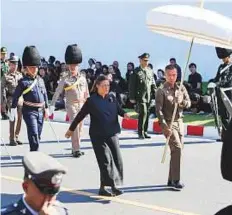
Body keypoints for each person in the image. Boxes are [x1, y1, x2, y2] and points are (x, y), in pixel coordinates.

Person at [65, 75, 129, 196]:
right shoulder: (92, 101)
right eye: (104, 85)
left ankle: (106, 187)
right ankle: (111, 186)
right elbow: (80, 116)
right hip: (98, 135)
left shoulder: (112, 97)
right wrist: (71, 129)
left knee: (116, 159)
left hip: (112, 132)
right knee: (105, 160)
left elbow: (119, 109)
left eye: (108, 85)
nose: (106, 88)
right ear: (97, 86)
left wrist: (124, 114)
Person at [155, 64, 191, 190]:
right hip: (168, 123)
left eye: (174, 75)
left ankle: (171, 179)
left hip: (179, 122)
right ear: (165, 75)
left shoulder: (181, 87)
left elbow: (189, 103)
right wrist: (164, 126)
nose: (172, 77)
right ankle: (176, 180)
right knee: (177, 148)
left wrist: (181, 101)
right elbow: (158, 111)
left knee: (176, 152)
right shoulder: (161, 90)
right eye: (169, 75)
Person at [50, 44, 89, 158]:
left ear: (78, 65)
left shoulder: (82, 78)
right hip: (71, 105)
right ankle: (76, 149)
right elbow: (57, 92)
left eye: (74, 65)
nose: (72, 67)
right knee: (75, 125)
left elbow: (87, 93)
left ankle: (75, 147)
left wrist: (91, 105)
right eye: (71, 65)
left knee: (80, 127)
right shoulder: (65, 78)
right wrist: (52, 106)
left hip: (82, 104)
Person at [1, 151, 69, 214]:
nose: (50, 198)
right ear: (26, 187)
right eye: (45, 192)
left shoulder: (60, 210)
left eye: (54, 193)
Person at [10, 46, 49, 151]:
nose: (34, 69)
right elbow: (16, 96)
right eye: (32, 67)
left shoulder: (40, 80)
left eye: (36, 67)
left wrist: (47, 108)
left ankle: (35, 149)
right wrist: (13, 109)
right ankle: (34, 152)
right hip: (29, 111)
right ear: (26, 68)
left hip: (40, 110)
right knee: (33, 132)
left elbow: (44, 94)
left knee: (38, 134)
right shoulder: (23, 82)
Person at [209, 48, 232, 183]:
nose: (224, 60)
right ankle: (224, 136)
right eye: (223, 58)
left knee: (230, 117)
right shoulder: (221, 67)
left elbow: (226, 80)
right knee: (223, 116)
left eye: (225, 58)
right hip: (221, 96)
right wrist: (213, 81)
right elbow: (218, 78)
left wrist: (216, 83)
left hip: (229, 96)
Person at [129, 53, 157, 139]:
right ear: (140, 61)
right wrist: (132, 97)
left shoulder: (150, 71)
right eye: (144, 60)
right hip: (140, 96)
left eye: (147, 60)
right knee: (143, 113)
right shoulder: (136, 71)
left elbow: (153, 83)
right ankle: (140, 132)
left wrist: (156, 93)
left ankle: (145, 131)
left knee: (147, 113)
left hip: (148, 96)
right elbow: (132, 85)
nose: (146, 62)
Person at [1, 56, 23, 146]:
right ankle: (11, 138)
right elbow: (2, 89)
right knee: (12, 118)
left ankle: (16, 136)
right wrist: (3, 103)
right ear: (9, 64)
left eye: (16, 63)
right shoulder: (6, 76)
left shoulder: (20, 75)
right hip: (11, 99)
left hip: (20, 99)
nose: (15, 65)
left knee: (20, 118)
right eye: (13, 63)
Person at [1, 47, 9, 120]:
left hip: (8, 83)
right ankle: (3, 113)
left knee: (7, 97)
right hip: (1, 83)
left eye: (5, 54)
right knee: (3, 98)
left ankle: (6, 112)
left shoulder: (7, 63)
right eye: (2, 54)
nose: (3, 55)